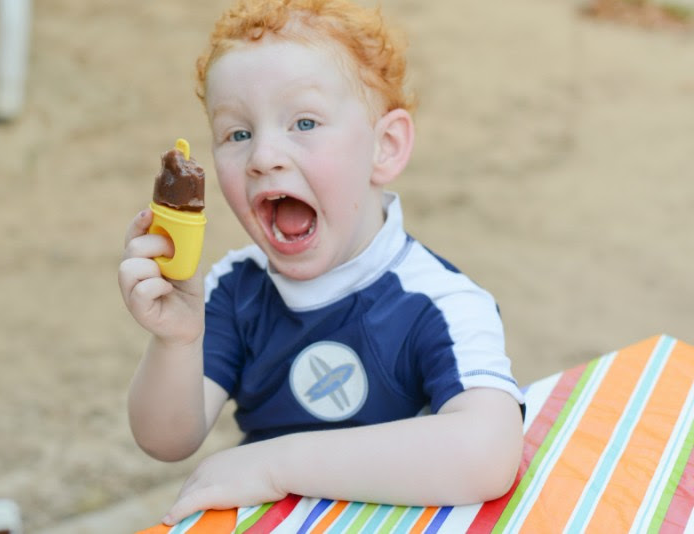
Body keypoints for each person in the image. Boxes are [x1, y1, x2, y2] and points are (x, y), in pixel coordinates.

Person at [118, 0, 525, 525]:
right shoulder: (233, 291)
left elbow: (486, 452)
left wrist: (276, 464)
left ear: (386, 147)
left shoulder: (439, 303)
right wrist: (175, 339)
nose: (264, 156)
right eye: (237, 134)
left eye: (304, 122)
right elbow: (166, 440)